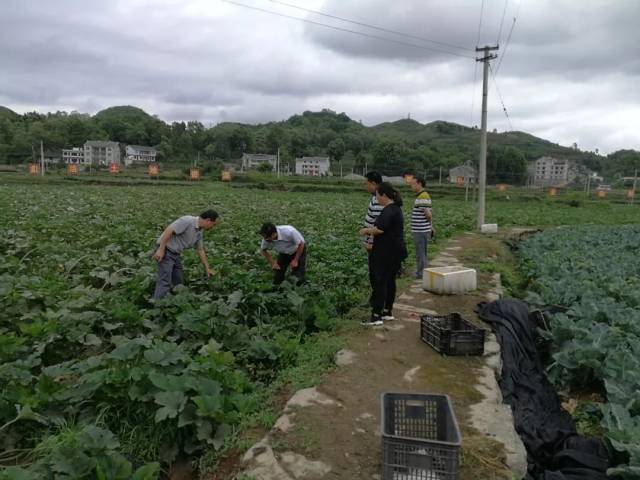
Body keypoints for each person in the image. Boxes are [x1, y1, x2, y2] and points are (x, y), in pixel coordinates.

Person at [359, 182, 407, 326]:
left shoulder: (388, 210)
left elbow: (380, 229)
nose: (377, 198)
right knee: (390, 281)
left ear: (384, 195)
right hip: (395, 251)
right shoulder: (396, 209)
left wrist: (366, 231)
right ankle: (387, 312)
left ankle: (376, 316)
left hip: (385, 252)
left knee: (379, 282)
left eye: (378, 195)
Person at [152, 210, 219, 299]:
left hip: (176, 254)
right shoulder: (187, 221)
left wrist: (207, 268)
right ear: (208, 220)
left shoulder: (199, 231)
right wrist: (161, 249)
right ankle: (157, 304)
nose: (212, 227)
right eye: (213, 224)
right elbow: (169, 230)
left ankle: (174, 302)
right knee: (165, 281)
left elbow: (200, 250)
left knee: (178, 280)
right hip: (166, 250)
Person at [362, 171, 384, 303]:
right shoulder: (375, 197)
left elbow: (378, 225)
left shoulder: (379, 200)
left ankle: (377, 302)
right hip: (373, 243)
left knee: (376, 274)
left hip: (375, 244)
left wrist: (370, 242)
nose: (365, 186)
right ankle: (375, 299)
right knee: (375, 274)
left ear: (374, 183)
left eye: (366, 183)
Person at [410, 177, 433, 279]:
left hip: (420, 230)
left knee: (420, 252)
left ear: (419, 184)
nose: (412, 186)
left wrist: (430, 225)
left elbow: (428, 214)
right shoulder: (422, 196)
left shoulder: (423, 196)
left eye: (413, 184)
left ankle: (421, 274)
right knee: (421, 252)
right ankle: (422, 272)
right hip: (421, 229)